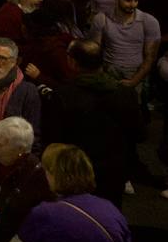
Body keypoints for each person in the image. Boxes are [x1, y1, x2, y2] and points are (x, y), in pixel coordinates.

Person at [41, 39, 142, 207]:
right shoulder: (126, 93)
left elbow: (52, 139)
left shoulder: (62, 96)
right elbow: (139, 133)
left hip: (74, 172)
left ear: (72, 62)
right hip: (114, 171)